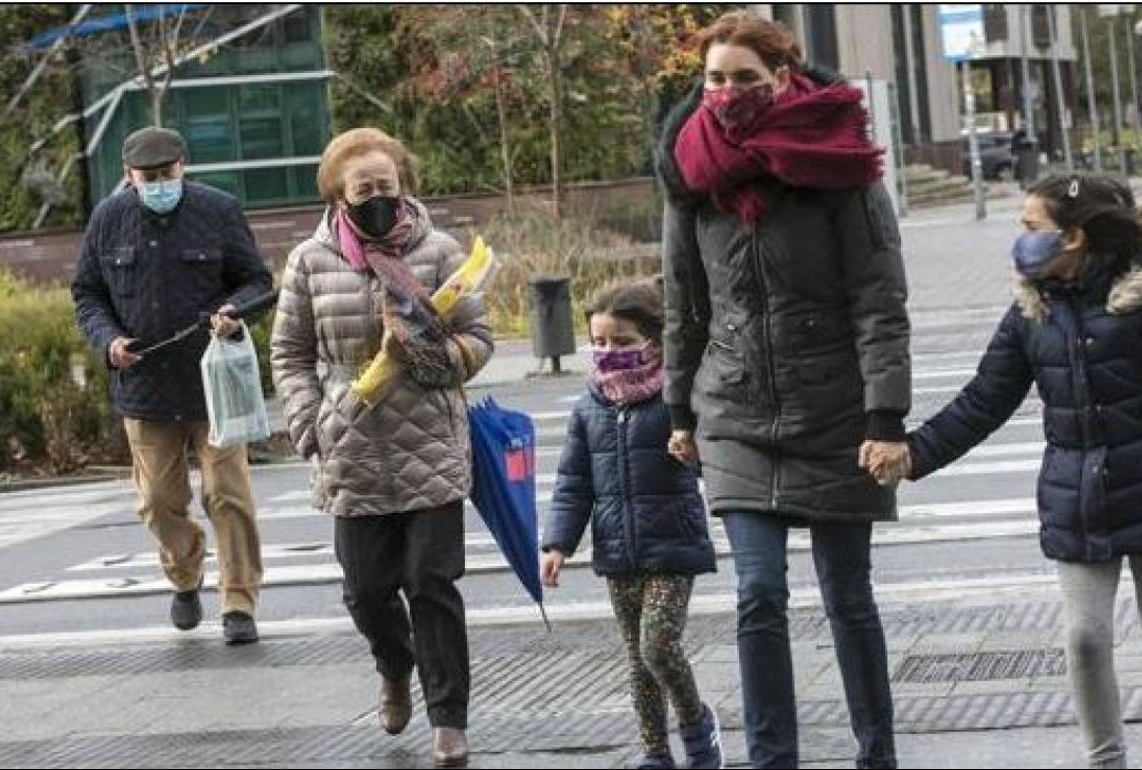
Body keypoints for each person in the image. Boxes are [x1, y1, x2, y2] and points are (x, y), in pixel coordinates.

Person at [655, 11, 910, 769]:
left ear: (783, 79)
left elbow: (878, 297)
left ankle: (877, 753)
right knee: (758, 593)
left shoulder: (841, 164)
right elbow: (682, 300)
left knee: (847, 598)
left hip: (836, 411)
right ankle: (772, 760)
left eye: (745, 80)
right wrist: (677, 407)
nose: (727, 94)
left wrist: (884, 415)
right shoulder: (689, 174)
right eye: (714, 80)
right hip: (732, 408)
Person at [875, 173, 1142, 770]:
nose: (1021, 241)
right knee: (1085, 637)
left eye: (1032, 228)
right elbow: (984, 400)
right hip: (1077, 498)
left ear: (1074, 238)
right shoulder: (1030, 315)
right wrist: (914, 454)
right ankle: (1105, 762)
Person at [270, 127, 493, 768]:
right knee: (366, 591)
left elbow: (477, 340)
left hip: (430, 438)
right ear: (339, 193)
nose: (376, 198)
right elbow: (289, 353)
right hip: (350, 442)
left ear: (403, 186)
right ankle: (395, 667)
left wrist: (428, 354)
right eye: (362, 188)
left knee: (431, 582)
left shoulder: (440, 251)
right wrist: (307, 420)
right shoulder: (311, 261)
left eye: (385, 187)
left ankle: (449, 719)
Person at [71, 126, 273, 645]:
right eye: (149, 177)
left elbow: (257, 281)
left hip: (215, 382)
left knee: (228, 493)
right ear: (128, 177)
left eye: (168, 174)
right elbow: (87, 293)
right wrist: (108, 339)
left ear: (184, 167)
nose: (161, 183)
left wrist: (235, 311)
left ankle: (239, 601)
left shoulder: (218, 210)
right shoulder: (107, 219)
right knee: (159, 501)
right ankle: (185, 575)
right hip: (144, 387)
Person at [541, 278, 722, 770]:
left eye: (621, 342)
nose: (607, 352)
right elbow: (572, 481)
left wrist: (693, 451)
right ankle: (654, 753)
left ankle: (697, 727)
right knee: (637, 660)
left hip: (673, 544)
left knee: (657, 646)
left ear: (653, 341)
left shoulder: (675, 400)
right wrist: (557, 543)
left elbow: (715, 457)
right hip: (618, 551)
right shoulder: (589, 409)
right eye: (599, 342)